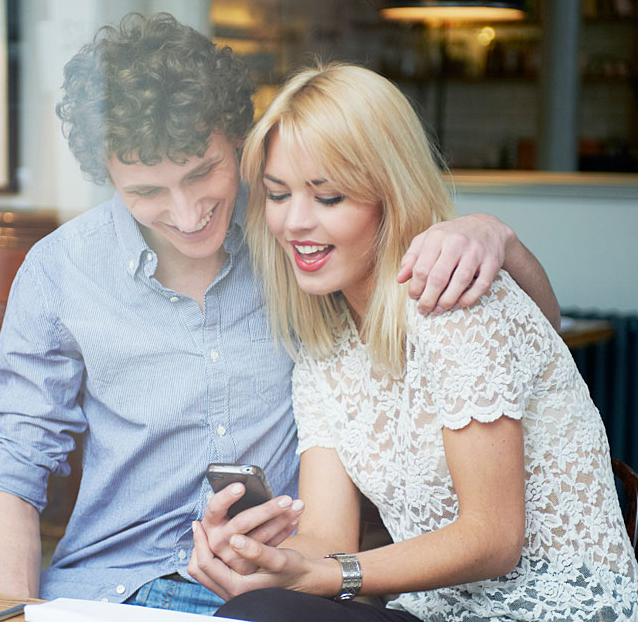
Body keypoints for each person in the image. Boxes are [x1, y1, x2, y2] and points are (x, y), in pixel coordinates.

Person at [0, 14, 560, 616]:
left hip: (276, 590)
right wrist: (13, 613)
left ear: (237, 138)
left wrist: (495, 236)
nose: (186, 213)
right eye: (146, 192)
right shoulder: (60, 270)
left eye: (203, 173)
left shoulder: (297, 234)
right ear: (109, 177)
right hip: (112, 589)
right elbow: (16, 472)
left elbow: (535, 349)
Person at [188, 63, 638, 621]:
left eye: (328, 197)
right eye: (278, 194)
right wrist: (260, 559)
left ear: (389, 195)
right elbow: (327, 535)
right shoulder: (323, 352)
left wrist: (333, 575)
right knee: (258, 609)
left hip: (552, 609)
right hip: (434, 613)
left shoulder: (453, 302)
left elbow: (493, 539)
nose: (294, 223)